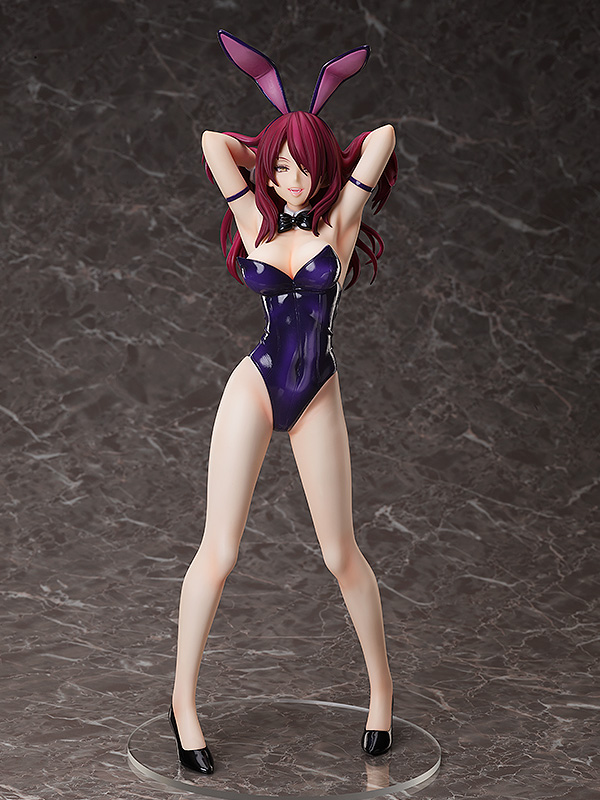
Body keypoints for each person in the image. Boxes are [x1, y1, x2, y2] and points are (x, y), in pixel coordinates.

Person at [168, 31, 398, 774]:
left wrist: (312, 139)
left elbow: (384, 137)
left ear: (323, 168)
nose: (291, 180)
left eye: (303, 167)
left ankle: (382, 694)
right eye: (280, 169)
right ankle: (182, 702)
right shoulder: (253, 220)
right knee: (220, 551)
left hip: (316, 387)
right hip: (258, 382)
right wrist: (267, 145)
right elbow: (213, 144)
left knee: (340, 553)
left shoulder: (340, 223)